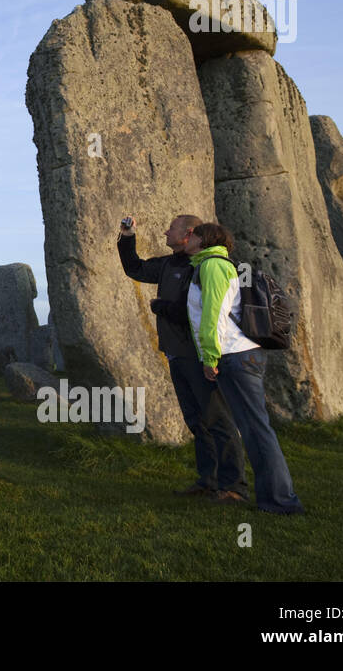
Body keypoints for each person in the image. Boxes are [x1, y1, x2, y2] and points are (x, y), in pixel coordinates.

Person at [118, 215, 248, 502]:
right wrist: (128, 237)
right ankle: (209, 480)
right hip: (176, 352)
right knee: (196, 420)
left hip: (199, 354)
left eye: (171, 228)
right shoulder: (170, 263)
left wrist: (161, 307)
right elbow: (135, 268)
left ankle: (234, 487)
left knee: (218, 419)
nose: (166, 231)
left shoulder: (202, 267)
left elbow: (200, 312)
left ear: (189, 233)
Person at [185, 222, 305, 515]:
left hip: (233, 356)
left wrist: (209, 358)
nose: (188, 239)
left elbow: (214, 315)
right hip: (239, 355)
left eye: (193, 235)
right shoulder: (211, 264)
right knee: (254, 428)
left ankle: (281, 501)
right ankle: (274, 498)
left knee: (256, 430)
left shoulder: (213, 266)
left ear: (204, 240)